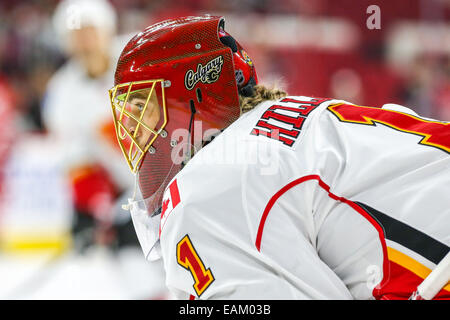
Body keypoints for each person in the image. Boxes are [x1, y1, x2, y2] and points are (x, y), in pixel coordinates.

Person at [109, 15, 450, 300]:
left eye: (143, 108)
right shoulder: (279, 129)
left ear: (193, 100)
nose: (131, 128)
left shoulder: (209, 187)